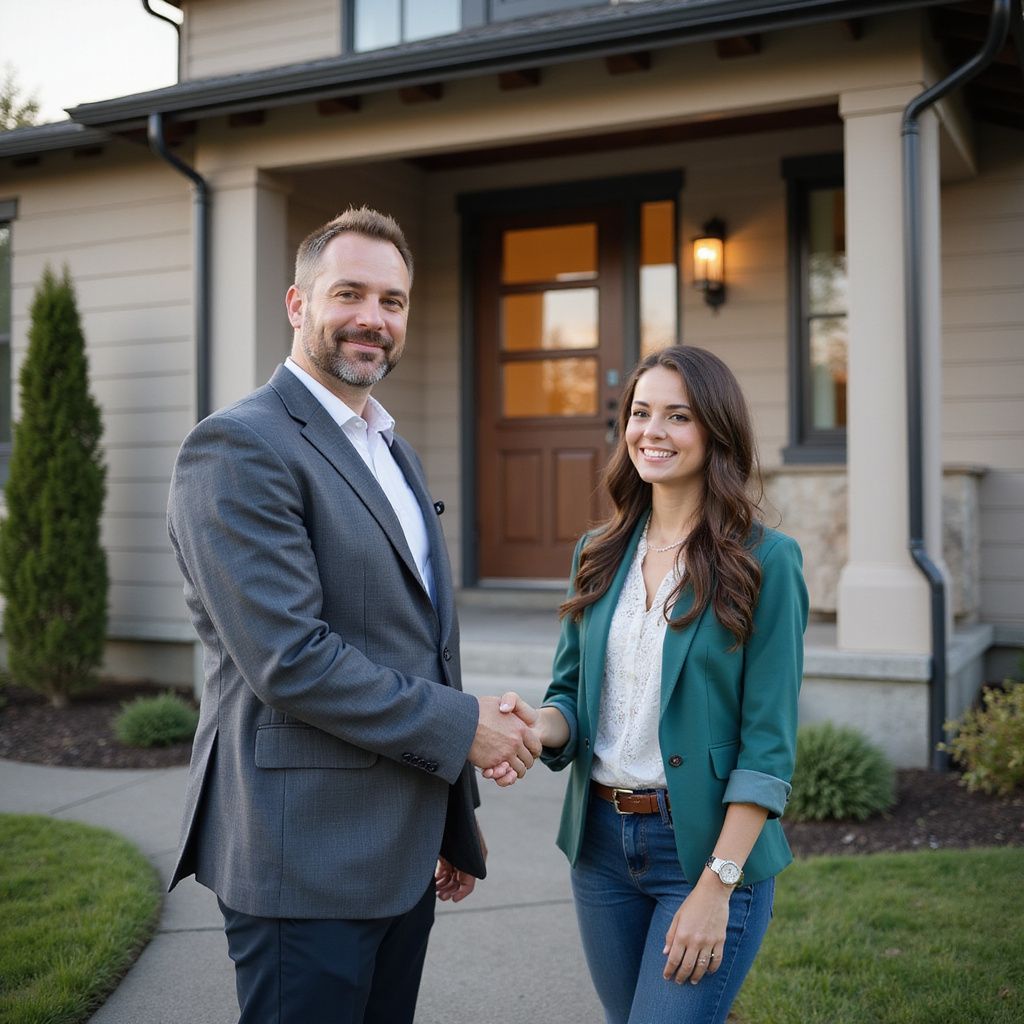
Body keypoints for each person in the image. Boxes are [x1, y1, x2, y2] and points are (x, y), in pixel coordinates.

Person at [166, 206, 541, 1024]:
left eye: (394, 302)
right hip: (303, 858)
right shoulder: (239, 447)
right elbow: (289, 658)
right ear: (299, 305)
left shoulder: (388, 446)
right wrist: (464, 729)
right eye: (350, 294)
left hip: (399, 853)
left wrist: (451, 826)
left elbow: (415, 645)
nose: (374, 318)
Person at [487, 346, 808, 1024]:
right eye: (639, 413)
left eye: (677, 416)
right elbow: (571, 696)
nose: (651, 432)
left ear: (716, 430)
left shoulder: (766, 562)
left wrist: (716, 887)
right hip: (600, 848)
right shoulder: (598, 552)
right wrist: (534, 725)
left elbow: (767, 748)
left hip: (701, 850)